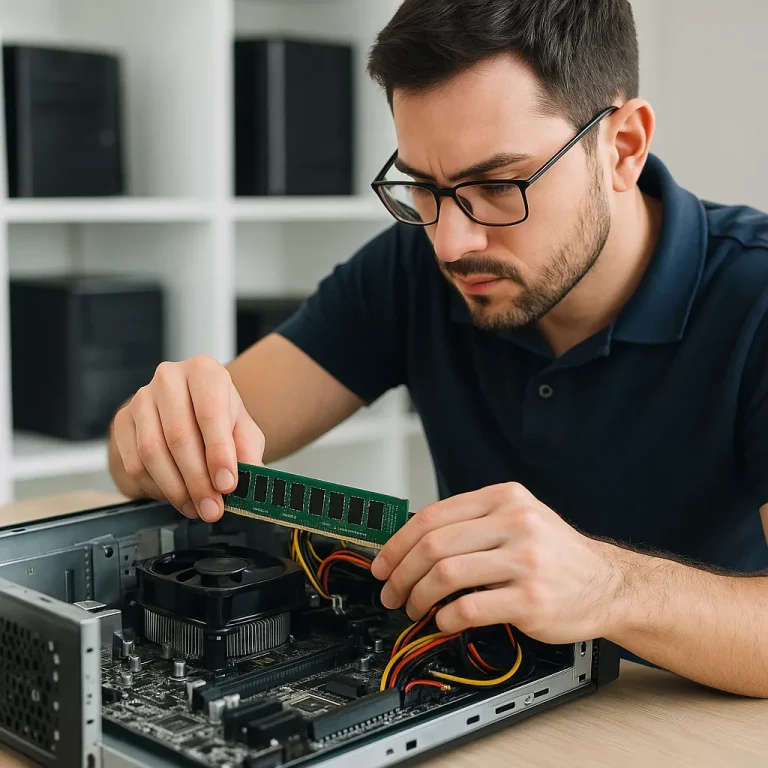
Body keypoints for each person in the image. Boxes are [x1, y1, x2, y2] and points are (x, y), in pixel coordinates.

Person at [108, 0, 768, 698]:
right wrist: (158, 426)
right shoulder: (410, 270)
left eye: (496, 185)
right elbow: (153, 456)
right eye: (422, 186)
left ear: (623, 147)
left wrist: (610, 587)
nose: (451, 244)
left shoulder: (754, 298)